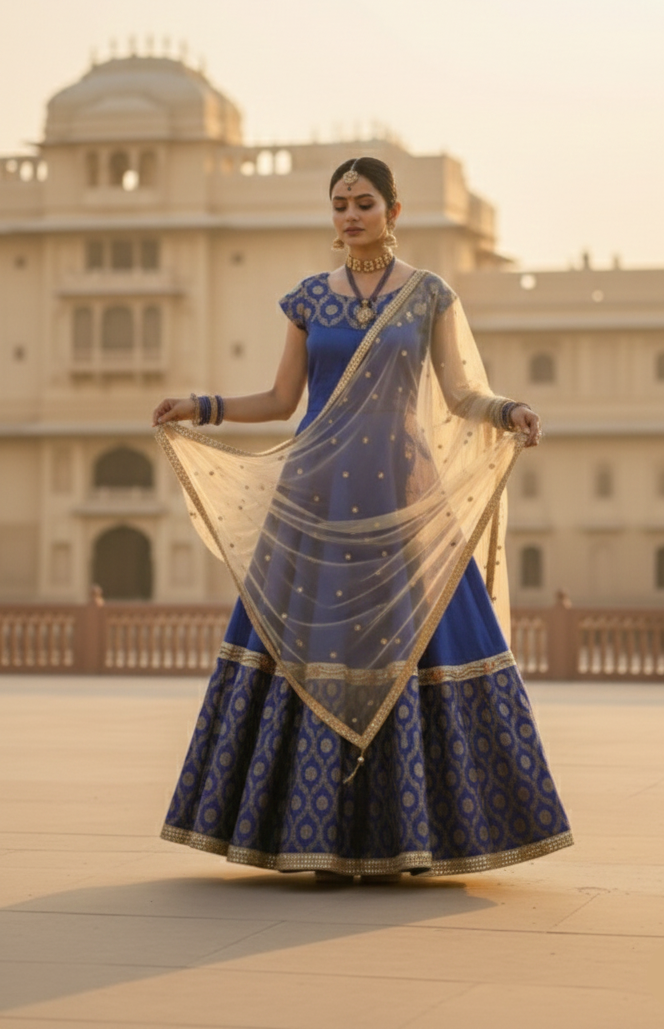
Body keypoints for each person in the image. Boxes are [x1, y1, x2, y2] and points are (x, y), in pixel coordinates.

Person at [152, 156, 572, 880]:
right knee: (316, 646)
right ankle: (314, 836)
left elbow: (461, 394)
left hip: (402, 498)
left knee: (418, 646)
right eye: (340, 204)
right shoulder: (309, 300)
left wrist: (509, 410)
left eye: (364, 203)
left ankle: (413, 836)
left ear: (393, 211)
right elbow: (282, 400)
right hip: (314, 498)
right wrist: (203, 405)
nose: (350, 215)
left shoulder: (428, 295)